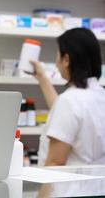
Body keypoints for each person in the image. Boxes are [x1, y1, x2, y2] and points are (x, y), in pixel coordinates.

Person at [31, 28, 105, 166]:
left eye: (58, 54)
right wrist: (42, 77)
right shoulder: (99, 94)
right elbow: (66, 115)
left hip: (69, 187)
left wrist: (42, 188)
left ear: (66, 60)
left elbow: (55, 161)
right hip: (97, 186)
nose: (56, 62)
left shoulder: (70, 100)